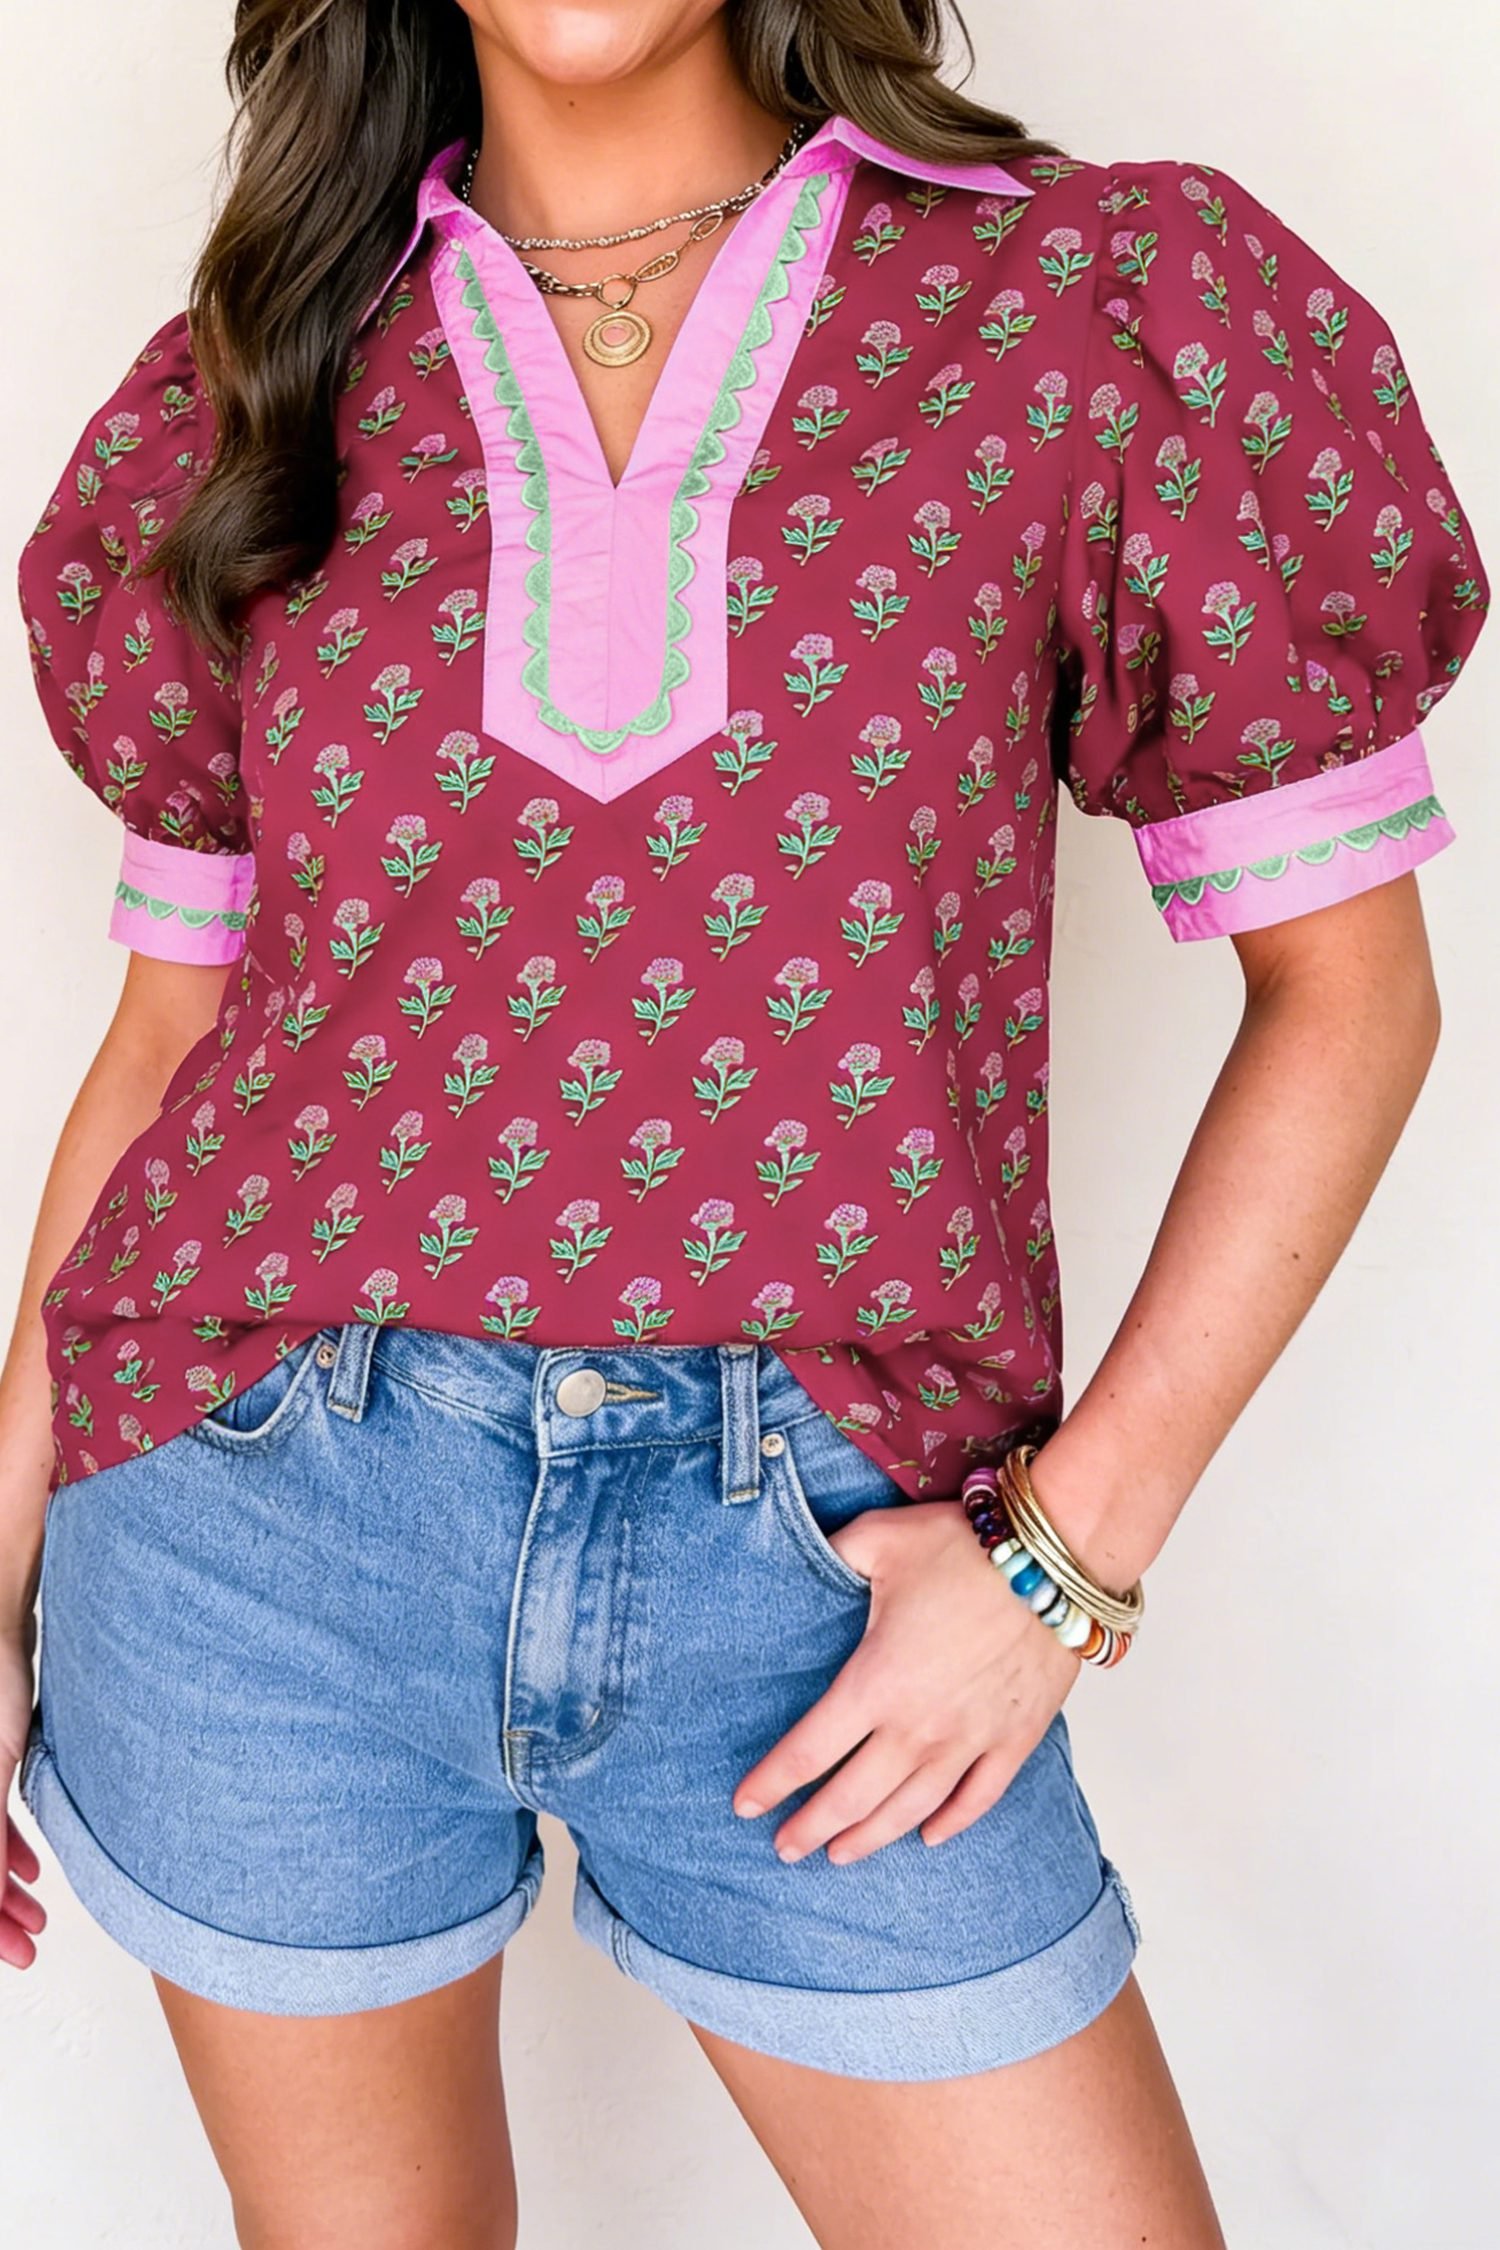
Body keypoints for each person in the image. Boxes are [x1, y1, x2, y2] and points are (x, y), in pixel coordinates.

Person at [2, 1, 1488, 2243]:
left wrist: (1063, 1565)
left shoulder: (1085, 305)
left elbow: (1355, 1001)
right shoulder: (262, 378)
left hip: (828, 1570)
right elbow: (168, 1045)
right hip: (256, 1542)